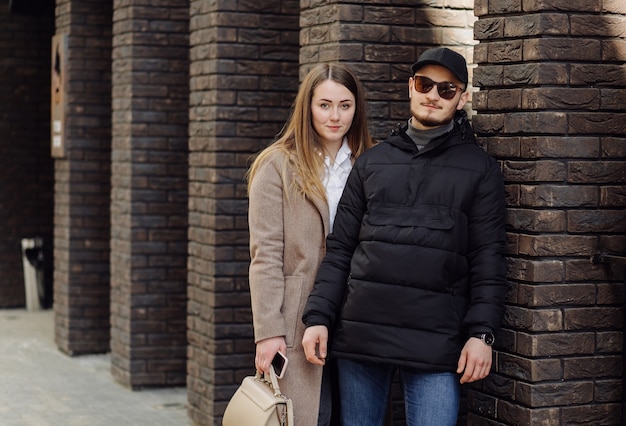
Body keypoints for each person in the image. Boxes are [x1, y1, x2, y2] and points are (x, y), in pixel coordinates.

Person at [302, 47, 508, 426]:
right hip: (360, 336)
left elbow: (488, 259)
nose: (433, 95)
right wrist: (318, 317)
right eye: (425, 84)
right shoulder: (372, 163)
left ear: (462, 98)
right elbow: (341, 249)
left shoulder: (479, 169)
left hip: (437, 343)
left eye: (447, 89)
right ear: (410, 87)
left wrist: (482, 333)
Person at [247, 63, 374, 426]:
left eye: (345, 105)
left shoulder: (374, 162)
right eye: (324, 105)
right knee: (305, 417)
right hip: (296, 318)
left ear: (357, 108)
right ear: (308, 107)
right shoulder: (276, 166)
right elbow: (265, 255)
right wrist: (269, 331)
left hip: (359, 314)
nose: (335, 116)